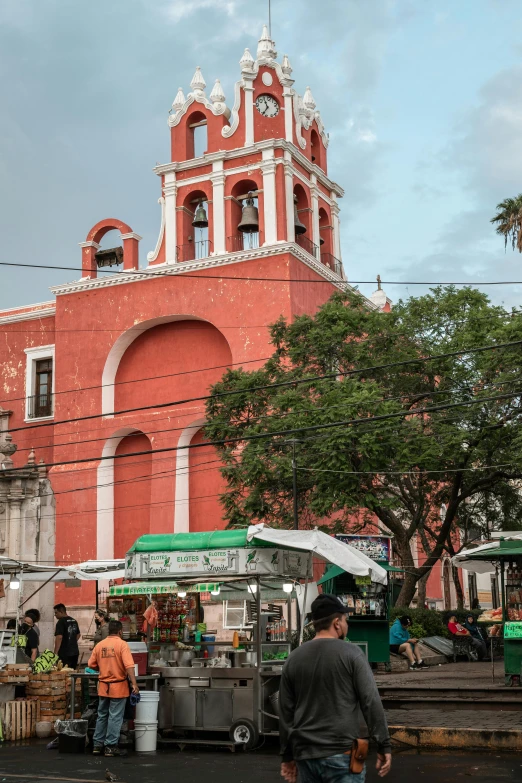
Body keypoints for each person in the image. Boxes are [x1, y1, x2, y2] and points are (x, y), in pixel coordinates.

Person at [279, 593, 392, 783]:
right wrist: (384, 745)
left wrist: (287, 756)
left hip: (306, 756)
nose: (347, 625)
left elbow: (286, 712)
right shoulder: (352, 654)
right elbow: (371, 701)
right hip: (342, 754)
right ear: (337, 623)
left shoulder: (293, 659)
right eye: (345, 620)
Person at [88, 619, 139, 757]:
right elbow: (129, 666)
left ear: (109, 631)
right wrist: (134, 683)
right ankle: (110, 746)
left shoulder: (100, 645)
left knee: (102, 715)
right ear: (120, 631)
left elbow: (91, 664)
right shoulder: (122, 645)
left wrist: (104, 667)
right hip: (118, 686)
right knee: (115, 717)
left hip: (103, 686)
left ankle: (97, 746)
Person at [54, 604, 81, 669]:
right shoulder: (74, 620)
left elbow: (59, 637)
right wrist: (72, 641)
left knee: (63, 673)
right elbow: (78, 634)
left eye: (56, 613)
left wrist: (55, 653)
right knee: (72, 671)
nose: (55, 615)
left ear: (61, 612)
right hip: (75, 652)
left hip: (64, 653)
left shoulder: (60, 622)